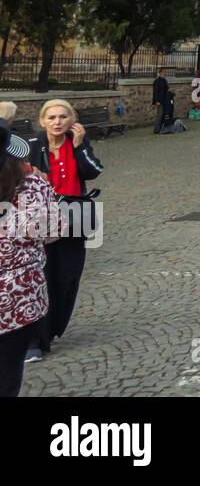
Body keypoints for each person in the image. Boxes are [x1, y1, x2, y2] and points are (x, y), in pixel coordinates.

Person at [25, 99, 104, 363]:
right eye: (52, 117)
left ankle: (54, 327)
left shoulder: (77, 143)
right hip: (39, 221)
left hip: (73, 219)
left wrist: (81, 147)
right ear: (42, 121)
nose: (57, 122)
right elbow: (14, 178)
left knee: (68, 278)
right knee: (42, 278)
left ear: (71, 121)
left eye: (63, 117)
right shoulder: (32, 148)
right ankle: (37, 339)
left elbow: (93, 172)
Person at [0, 124, 53, 397]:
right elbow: (54, 233)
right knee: (7, 373)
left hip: (17, 298)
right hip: (19, 299)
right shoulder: (33, 184)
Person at [151, 68, 175, 134]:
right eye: (164, 72)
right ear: (160, 73)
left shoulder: (164, 80)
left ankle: (161, 128)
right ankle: (156, 129)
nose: (165, 73)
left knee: (163, 114)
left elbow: (166, 89)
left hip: (165, 100)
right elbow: (155, 92)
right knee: (160, 114)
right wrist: (156, 101)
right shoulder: (157, 81)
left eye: (165, 72)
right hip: (159, 100)